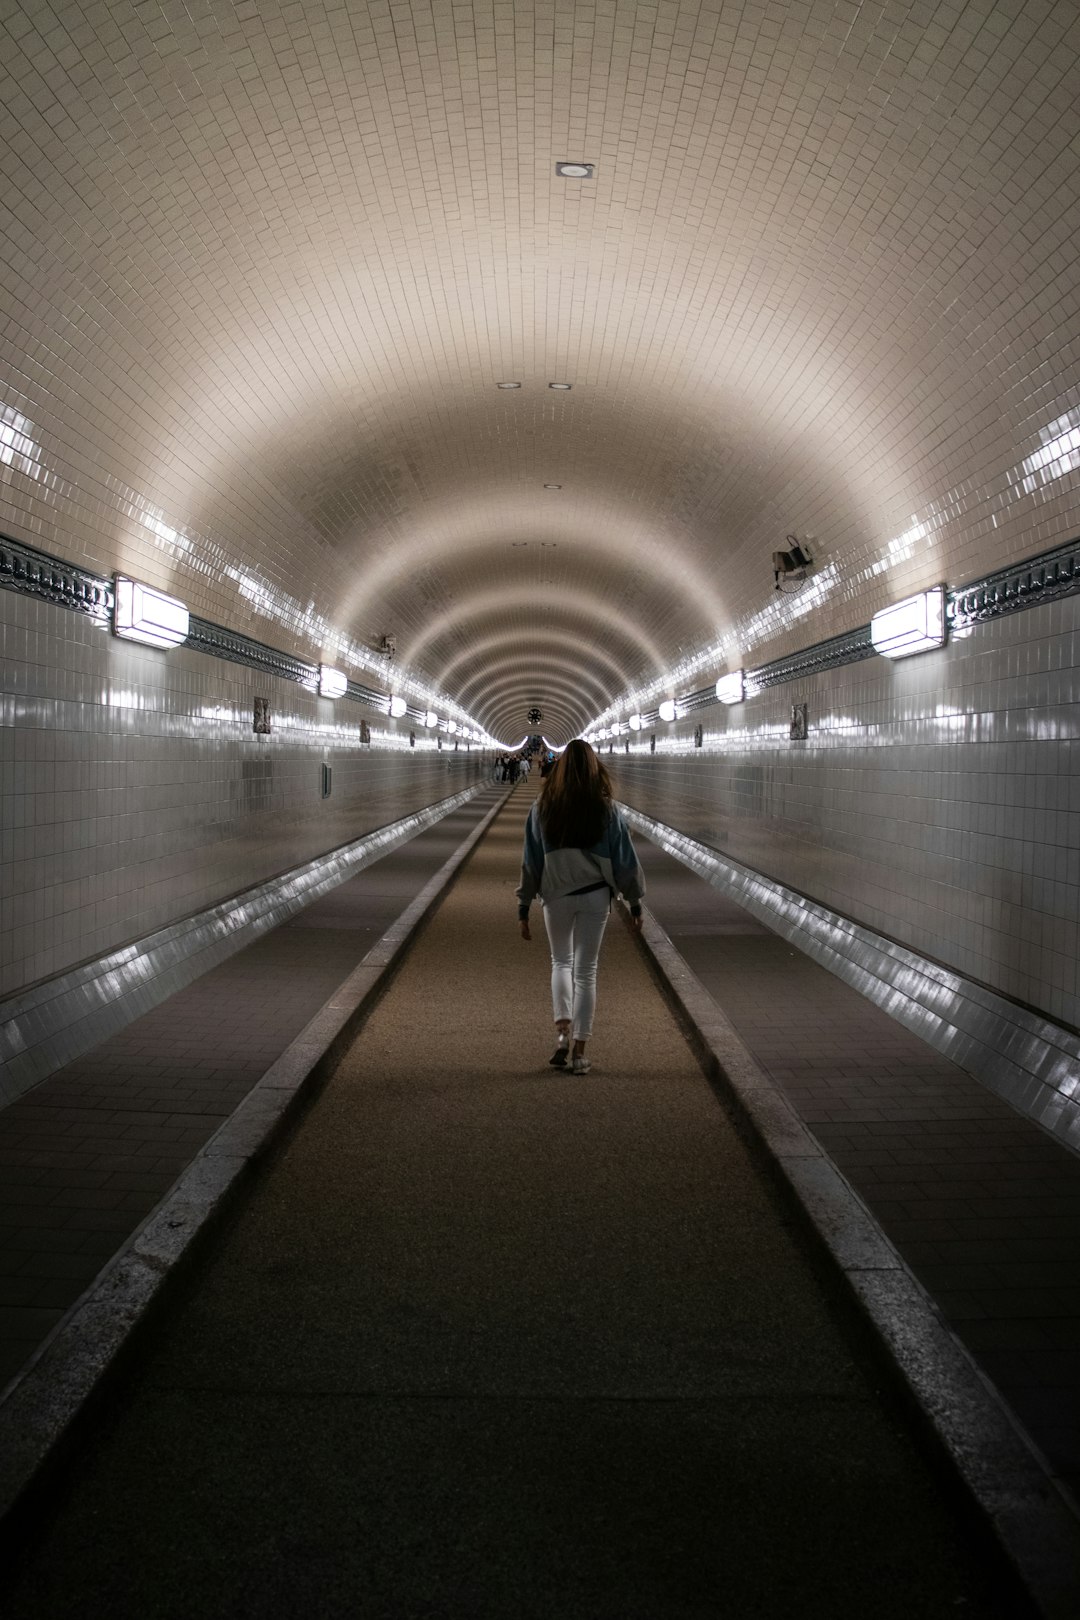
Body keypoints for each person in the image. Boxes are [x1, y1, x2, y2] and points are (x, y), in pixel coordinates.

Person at [516, 739, 645, 1075]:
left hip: (556, 895)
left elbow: (530, 862)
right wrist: (634, 900)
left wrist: (523, 905)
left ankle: (561, 1035)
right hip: (594, 896)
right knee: (586, 971)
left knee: (561, 962)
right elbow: (624, 859)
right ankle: (580, 1052)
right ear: (593, 767)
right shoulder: (606, 809)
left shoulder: (542, 807)